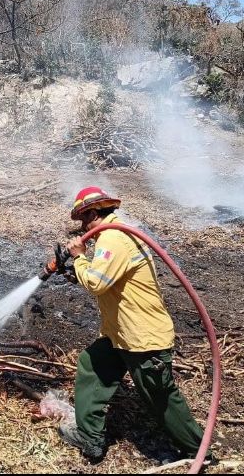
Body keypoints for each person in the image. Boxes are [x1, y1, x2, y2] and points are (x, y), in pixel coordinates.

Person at [57, 186, 212, 464]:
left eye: (83, 219)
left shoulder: (114, 239)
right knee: (92, 366)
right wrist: (74, 272)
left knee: (162, 400)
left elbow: (97, 282)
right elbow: (108, 278)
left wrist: (79, 256)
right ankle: (90, 438)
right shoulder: (118, 235)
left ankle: (199, 452)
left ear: (93, 212)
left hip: (142, 338)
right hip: (122, 334)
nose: (82, 226)